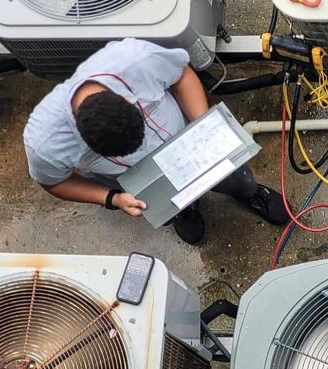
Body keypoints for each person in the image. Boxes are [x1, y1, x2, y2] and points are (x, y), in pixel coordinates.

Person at [23, 39, 288, 244]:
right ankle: (185, 210)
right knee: (168, 206)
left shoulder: (134, 59)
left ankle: (249, 193)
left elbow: (181, 75)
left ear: (125, 99)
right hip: (140, 179)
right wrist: (112, 198)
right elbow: (53, 181)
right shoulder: (44, 143)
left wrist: (205, 128)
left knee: (238, 178)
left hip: (189, 139)